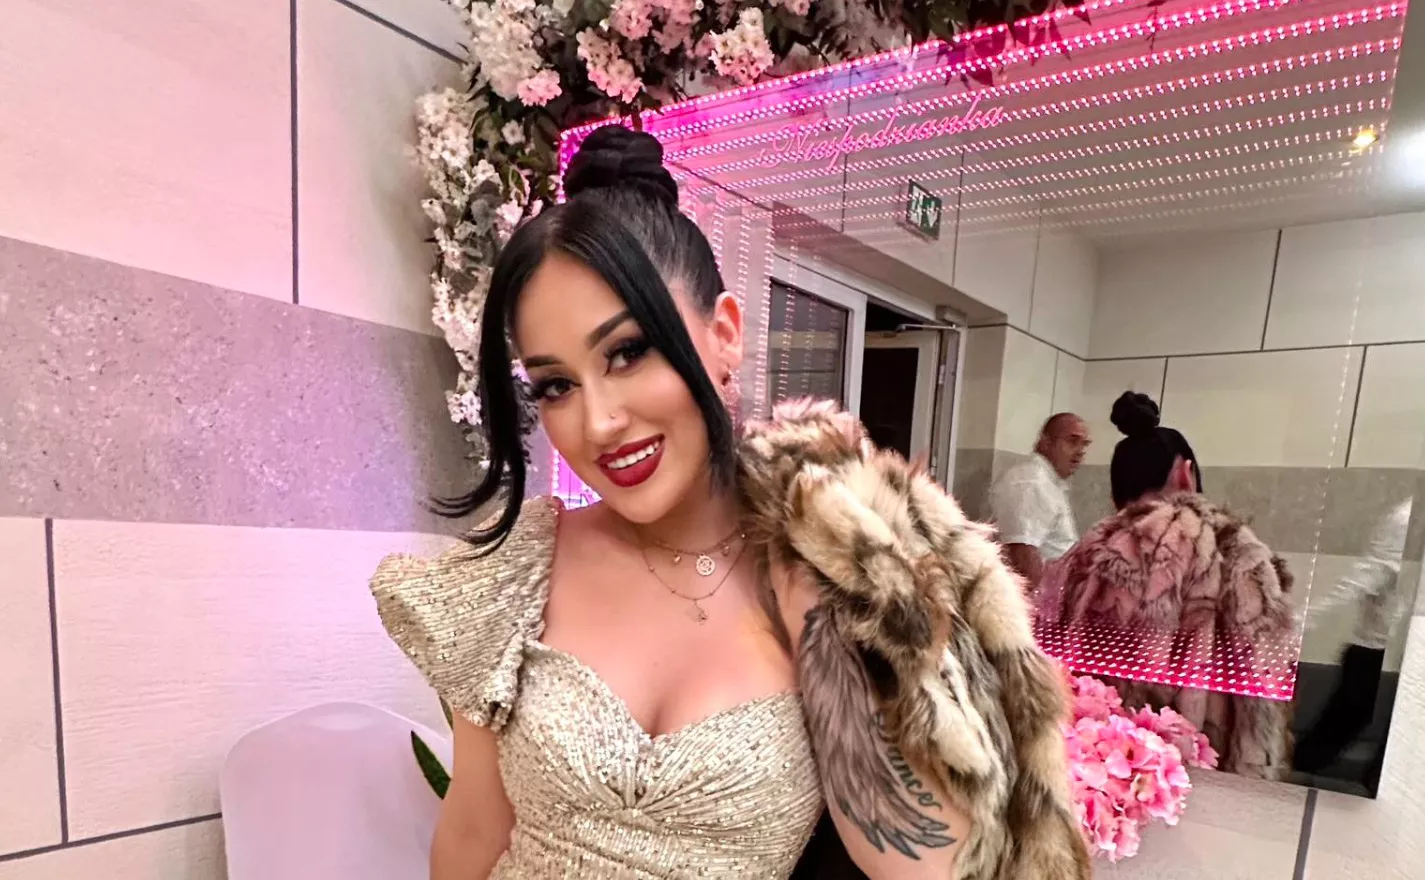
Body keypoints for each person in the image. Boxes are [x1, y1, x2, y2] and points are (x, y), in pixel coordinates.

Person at [370, 126, 1088, 880]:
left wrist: (817, 615)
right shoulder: (515, 573)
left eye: (628, 352)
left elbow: (923, 866)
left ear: (724, 334)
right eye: (556, 385)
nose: (598, 422)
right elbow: (472, 837)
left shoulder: (838, 577)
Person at [1038, 392, 1295, 780]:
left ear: (1116, 488)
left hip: (1094, 766)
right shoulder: (1233, 550)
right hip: (1193, 768)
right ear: (1185, 474)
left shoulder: (1084, 553)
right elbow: (1262, 677)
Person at [1295, 498, 1413, 786]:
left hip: (1399, 655)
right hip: (1372, 652)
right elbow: (1363, 578)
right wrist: (1301, 622)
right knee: (1340, 730)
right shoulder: (1406, 520)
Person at [989, 412, 1090, 589]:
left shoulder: (1047, 482)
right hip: (1034, 599)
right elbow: (1022, 554)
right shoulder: (1031, 482)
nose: (1080, 451)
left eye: (1084, 444)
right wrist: (1039, 605)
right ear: (1045, 442)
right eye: (1072, 441)